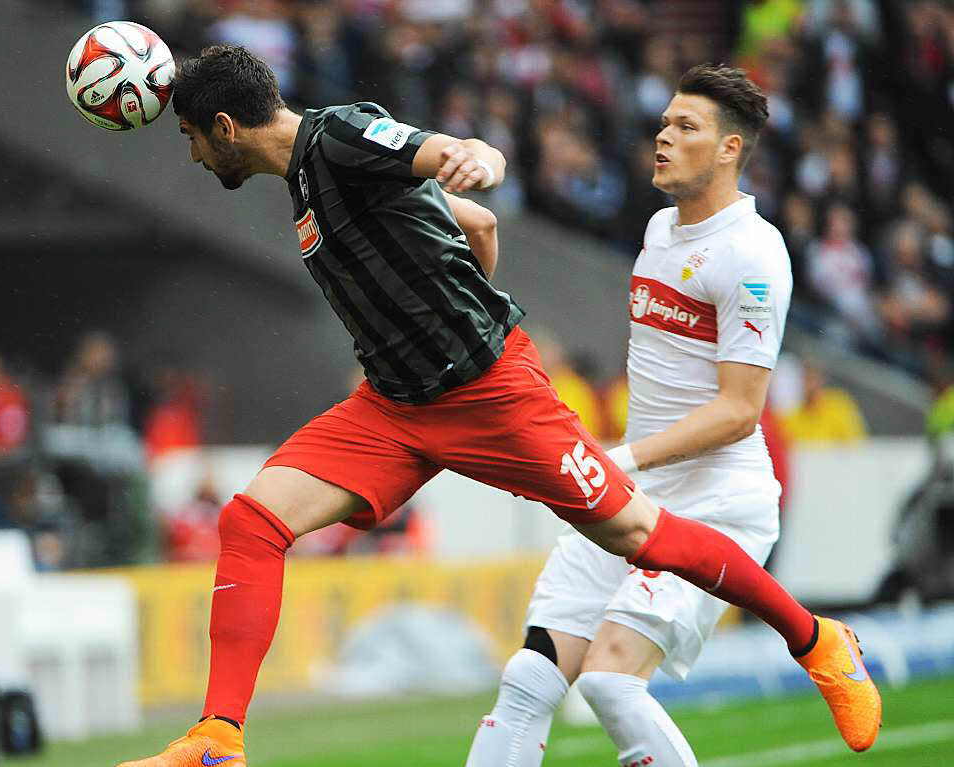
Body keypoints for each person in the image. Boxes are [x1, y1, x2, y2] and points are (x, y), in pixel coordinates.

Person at [117, 47, 880, 767]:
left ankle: (814, 638)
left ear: (224, 128)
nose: (191, 155)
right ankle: (219, 736)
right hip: (394, 405)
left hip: (489, 394)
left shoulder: (338, 137)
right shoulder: (308, 183)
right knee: (252, 518)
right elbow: (476, 226)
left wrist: (474, 157)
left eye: (190, 137)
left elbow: (448, 156)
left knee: (638, 533)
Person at [465, 64, 819, 767]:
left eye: (687, 127)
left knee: (610, 681)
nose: (664, 136)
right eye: (665, 122)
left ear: (728, 150)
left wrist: (619, 458)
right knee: (530, 676)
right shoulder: (659, 229)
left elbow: (741, 410)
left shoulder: (752, 254)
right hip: (633, 495)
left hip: (713, 508)